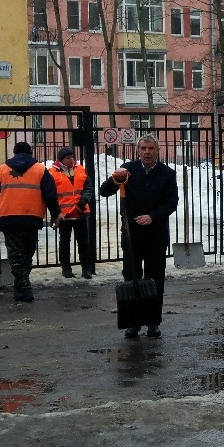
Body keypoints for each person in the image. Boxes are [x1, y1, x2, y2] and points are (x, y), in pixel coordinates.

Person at [99, 135, 178, 338]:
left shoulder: (167, 174)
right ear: (138, 150)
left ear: (157, 150)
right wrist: (114, 177)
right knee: (131, 276)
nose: (147, 152)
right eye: (143, 148)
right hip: (132, 234)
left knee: (154, 279)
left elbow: (172, 202)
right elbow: (104, 192)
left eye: (151, 148)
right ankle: (133, 322)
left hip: (156, 235)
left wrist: (153, 217)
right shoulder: (128, 170)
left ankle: (153, 321)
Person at [0, 141, 59, 302]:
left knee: (15, 255)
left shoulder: (2, 169)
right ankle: (23, 289)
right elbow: (50, 195)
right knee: (27, 254)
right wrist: (56, 214)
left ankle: (22, 288)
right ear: (31, 152)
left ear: (14, 152)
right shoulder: (40, 169)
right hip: (31, 217)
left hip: (8, 217)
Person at [50, 147, 96, 279]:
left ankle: (86, 268)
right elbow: (51, 194)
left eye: (72, 157)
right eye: (68, 158)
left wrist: (84, 199)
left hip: (80, 212)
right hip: (64, 214)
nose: (71, 160)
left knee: (83, 242)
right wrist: (56, 213)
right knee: (65, 242)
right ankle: (66, 268)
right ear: (61, 160)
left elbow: (88, 187)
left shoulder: (79, 169)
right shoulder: (52, 172)